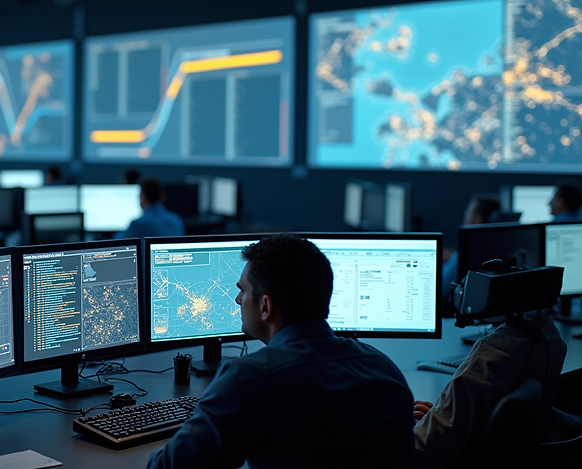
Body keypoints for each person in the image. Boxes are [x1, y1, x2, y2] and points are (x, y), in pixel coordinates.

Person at [146, 234, 415, 469]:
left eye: (244, 291)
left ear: (266, 307)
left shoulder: (250, 378)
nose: (238, 300)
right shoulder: (382, 367)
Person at [413, 309, 567, 467]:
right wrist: (444, 415)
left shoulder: (493, 353)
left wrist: (391, 427)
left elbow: (421, 452)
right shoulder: (547, 334)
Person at [441, 193, 501, 293]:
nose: (465, 214)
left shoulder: (461, 258)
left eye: (468, 212)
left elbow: (442, 288)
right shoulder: (491, 248)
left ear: (478, 218)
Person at [116, 178, 185, 239]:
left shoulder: (138, 225)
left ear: (143, 198)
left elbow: (120, 242)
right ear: (162, 197)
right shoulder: (176, 220)